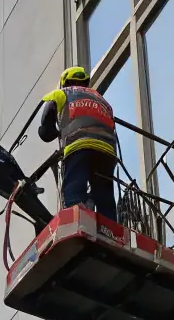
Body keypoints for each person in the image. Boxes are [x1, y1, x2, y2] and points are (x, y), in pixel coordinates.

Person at [38, 66, 118, 220]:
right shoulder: (102, 100)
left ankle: (77, 218)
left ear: (64, 82)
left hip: (79, 145)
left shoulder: (60, 94)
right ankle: (111, 228)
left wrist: (51, 132)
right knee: (104, 193)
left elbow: (46, 130)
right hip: (107, 150)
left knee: (75, 184)